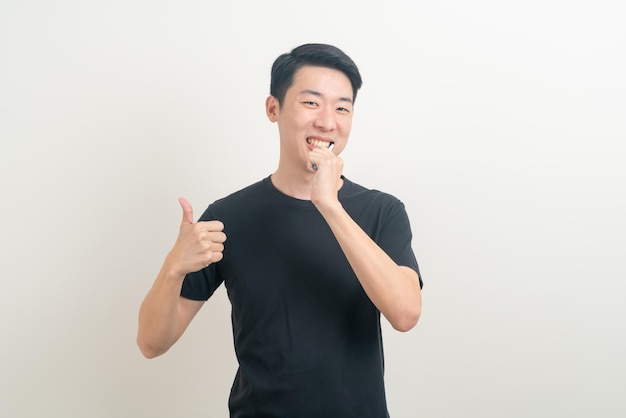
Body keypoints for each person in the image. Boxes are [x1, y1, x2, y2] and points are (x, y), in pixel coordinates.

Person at [137, 43, 423, 418]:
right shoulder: (228, 216)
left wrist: (330, 206)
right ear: (273, 108)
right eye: (311, 103)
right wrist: (172, 267)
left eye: (342, 107)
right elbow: (152, 343)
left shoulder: (382, 211)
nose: (327, 121)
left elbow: (405, 314)